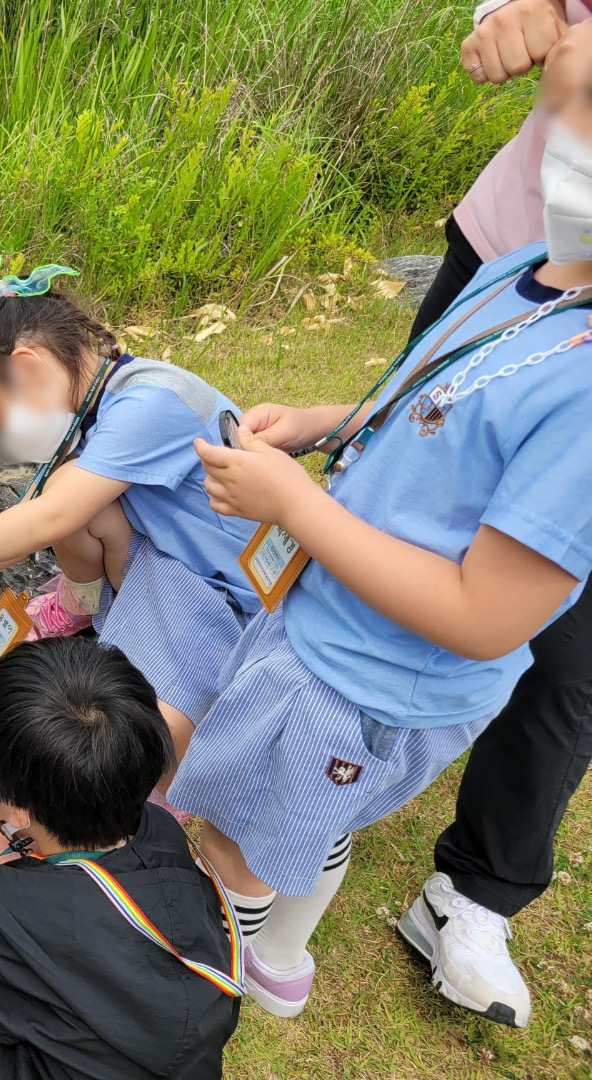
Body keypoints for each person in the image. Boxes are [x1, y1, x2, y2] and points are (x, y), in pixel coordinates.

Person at [176, 69, 592, 1018]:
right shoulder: (529, 266)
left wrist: (294, 506)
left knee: (239, 839)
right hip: (330, 623)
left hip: (376, 679)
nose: (563, 138)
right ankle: (281, 958)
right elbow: (433, 398)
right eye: (561, 104)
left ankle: (210, 969)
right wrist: (328, 425)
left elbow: (487, 617)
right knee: (310, 815)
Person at [0, 260, 259, 789]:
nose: (4, 440)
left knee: (149, 722)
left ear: (27, 367)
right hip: (169, 564)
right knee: (71, 495)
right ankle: (86, 606)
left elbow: (51, 517)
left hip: (225, 591)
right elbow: (39, 525)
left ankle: (165, 784)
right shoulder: (95, 411)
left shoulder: (153, 401)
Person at [395, 2, 592, 1028]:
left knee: (568, 646)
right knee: (400, 480)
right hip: (518, 256)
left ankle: (472, 895)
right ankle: (301, 760)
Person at [0, 637, 240, 1079]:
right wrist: (25, 861)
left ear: (18, 810)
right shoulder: (162, 832)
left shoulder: (6, 919)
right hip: (163, 1055)